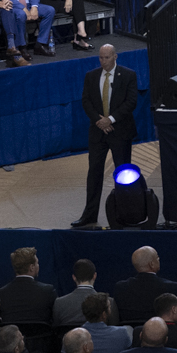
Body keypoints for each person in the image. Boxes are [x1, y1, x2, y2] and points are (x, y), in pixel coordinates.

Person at [76, 46, 140, 228]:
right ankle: (89, 216)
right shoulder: (91, 76)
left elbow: (131, 102)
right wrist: (100, 121)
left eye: (106, 58)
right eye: (101, 58)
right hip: (98, 133)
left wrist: (110, 120)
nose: (103, 61)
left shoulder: (128, 75)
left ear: (115, 57)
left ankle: (124, 215)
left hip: (120, 132)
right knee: (94, 174)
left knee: (122, 175)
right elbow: (86, 101)